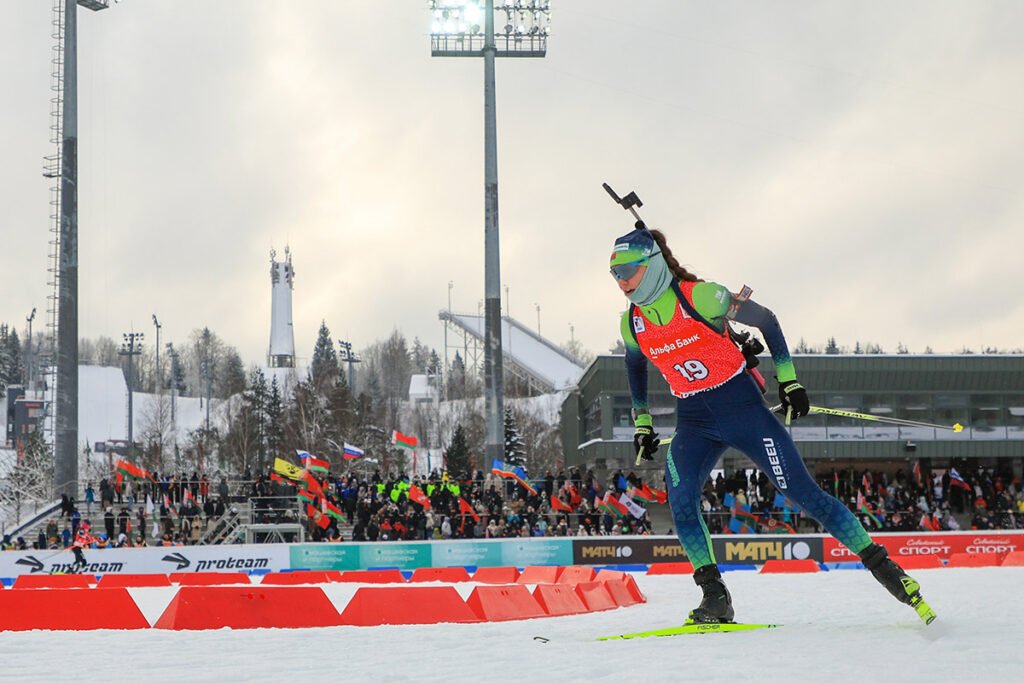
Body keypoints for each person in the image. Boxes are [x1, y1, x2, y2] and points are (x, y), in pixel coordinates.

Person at [609, 224, 934, 624]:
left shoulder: (703, 297)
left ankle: (888, 571)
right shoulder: (632, 324)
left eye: (628, 270)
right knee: (680, 502)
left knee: (804, 494)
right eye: (615, 274)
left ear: (653, 264)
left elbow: (767, 319)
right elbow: (634, 364)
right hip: (693, 420)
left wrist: (789, 380)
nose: (622, 282)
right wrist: (642, 422)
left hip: (742, 409)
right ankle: (715, 596)